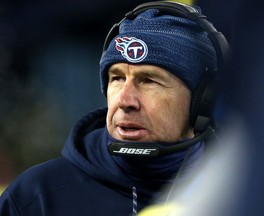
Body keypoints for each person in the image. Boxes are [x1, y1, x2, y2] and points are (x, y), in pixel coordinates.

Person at [0, 1, 228, 215]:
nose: (125, 100)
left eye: (149, 81)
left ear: (203, 101)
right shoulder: (34, 197)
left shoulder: (243, 189)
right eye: (117, 78)